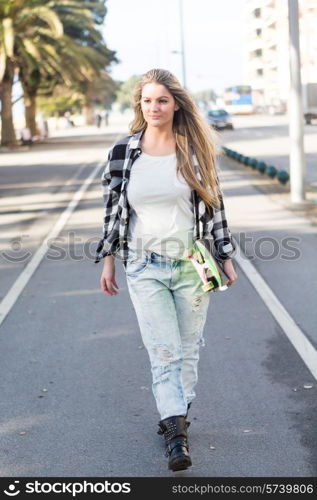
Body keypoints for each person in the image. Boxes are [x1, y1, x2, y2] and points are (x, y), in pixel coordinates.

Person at [95, 68, 237, 472]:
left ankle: (176, 412)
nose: (154, 107)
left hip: (192, 266)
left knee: (188, 351)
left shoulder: (194, 150)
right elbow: (112, 212)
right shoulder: (124, 151)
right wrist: (108, 261)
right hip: (144, 266)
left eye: (161, 100)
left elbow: (216, 206)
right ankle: (176, 435)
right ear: (139, 105)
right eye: (146, 100)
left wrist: (225, 258)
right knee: (164, 352)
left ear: (175, 104)